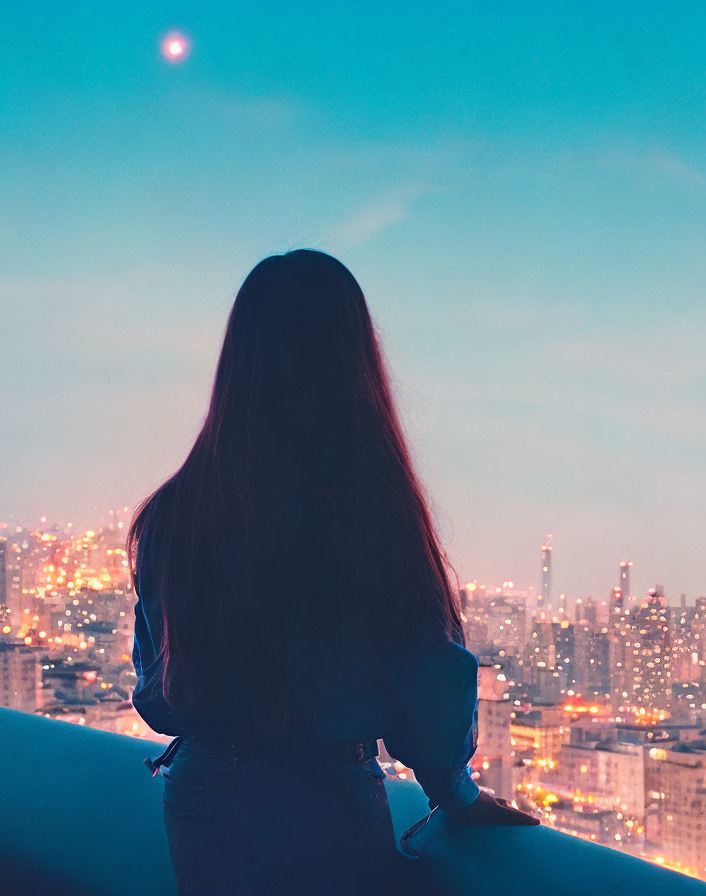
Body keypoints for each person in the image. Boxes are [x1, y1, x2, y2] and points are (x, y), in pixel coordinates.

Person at [129, 249, 537, 895]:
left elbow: (159, 688)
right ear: (355, 359)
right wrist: (455, 794)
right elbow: (429, 676)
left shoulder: (175, 513)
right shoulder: (371, 510)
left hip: (202, 795)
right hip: (321, 799)